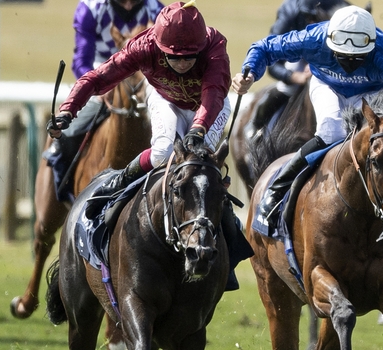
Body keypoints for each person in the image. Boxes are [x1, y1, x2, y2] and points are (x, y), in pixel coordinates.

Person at [48, 1, 252, 289]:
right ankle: (120, 181)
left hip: (209, 107)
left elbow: (213, 94)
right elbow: (98, 77)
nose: (182, 64)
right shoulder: (143, 46)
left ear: (201, 46)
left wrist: (197, 129)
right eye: (174, 57)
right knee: (162, 153)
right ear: (159, 46)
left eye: (189, 57)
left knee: (201, 165)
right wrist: (69, 109)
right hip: (164, 98)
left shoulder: (215, 44)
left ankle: (228, 250)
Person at [231, 5, 383, 224]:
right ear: (330, 41)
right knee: (331, 130)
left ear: (370, 45)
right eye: (342, 56)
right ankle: (277, 190)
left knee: (377, 141)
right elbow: (264, 47)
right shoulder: (314, 37)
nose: (348, 65)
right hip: (326, 85)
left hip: (367, 92)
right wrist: (249, 72)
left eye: (357, 58)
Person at [48, 0, 164, 199]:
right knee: (70, 131)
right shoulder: (90, 8)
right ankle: (63, 188)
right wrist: (100, 87)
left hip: (143, 80)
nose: (128, 4)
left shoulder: (157, 10)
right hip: (99, 78)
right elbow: (81, 62)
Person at [248, 0, 350, 138]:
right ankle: (257, 129)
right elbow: (272, 64)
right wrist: (294, 76)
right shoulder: (290, 10)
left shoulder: (341, 5)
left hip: (330, 56)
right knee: (286, 87)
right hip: (298, 53)